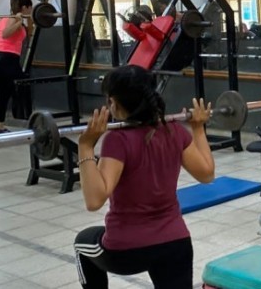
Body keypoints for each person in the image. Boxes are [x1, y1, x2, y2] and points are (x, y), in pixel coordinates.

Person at [73, 65, 215, 289]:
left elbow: (94, 201)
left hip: (126, 251)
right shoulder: (175, 130)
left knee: (82, 243)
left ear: (113, 102)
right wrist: (198, 128)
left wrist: (85, 146)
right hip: (176, 243)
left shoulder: (117, 140)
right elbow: (207, 174)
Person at [0, 0, 34, 133]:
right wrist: (18, 22)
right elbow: (5, 34)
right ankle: (26, 121)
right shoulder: (14, 20)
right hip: (8, 61)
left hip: (0, 61)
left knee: (5, 95)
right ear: (25, 7)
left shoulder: (2, 19)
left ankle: (1, 126)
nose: (30, 11)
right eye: (30, 8)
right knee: (23, 87)